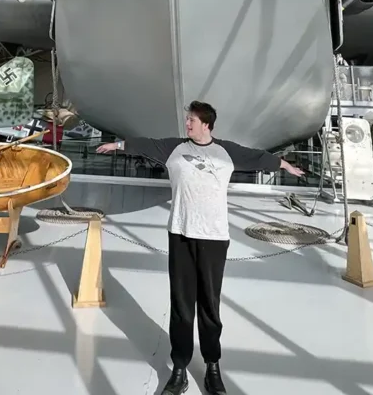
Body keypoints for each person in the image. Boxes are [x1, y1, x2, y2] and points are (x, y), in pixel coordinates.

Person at [96, 101, 304, 395]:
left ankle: (212, 366)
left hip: (214, 238)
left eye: (192, 120)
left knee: (209, 305)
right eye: (187, 119)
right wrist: (118, 145)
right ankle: (179, 369)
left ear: (207, 124)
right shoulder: (174, 149)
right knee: (181, 306)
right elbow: (145, 145)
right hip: (180, 233)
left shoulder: (227, 152)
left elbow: (258, 158)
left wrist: (286, 166)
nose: (188, 124)